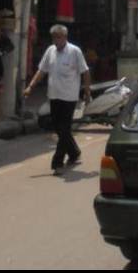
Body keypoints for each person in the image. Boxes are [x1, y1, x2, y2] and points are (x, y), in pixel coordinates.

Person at [24, 25, 91, 175]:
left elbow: (85, 72)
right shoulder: (50, 51)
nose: (56, 40)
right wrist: (30, 87)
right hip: (54, 96)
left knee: (64, 128)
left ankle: (57, 163)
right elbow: (42, 70)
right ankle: (73, 152)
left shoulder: (75, 51)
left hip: (69, 97)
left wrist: (87, 92)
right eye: (54, 37)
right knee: (59, 128)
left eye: (59, 37)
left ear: (65, 37)